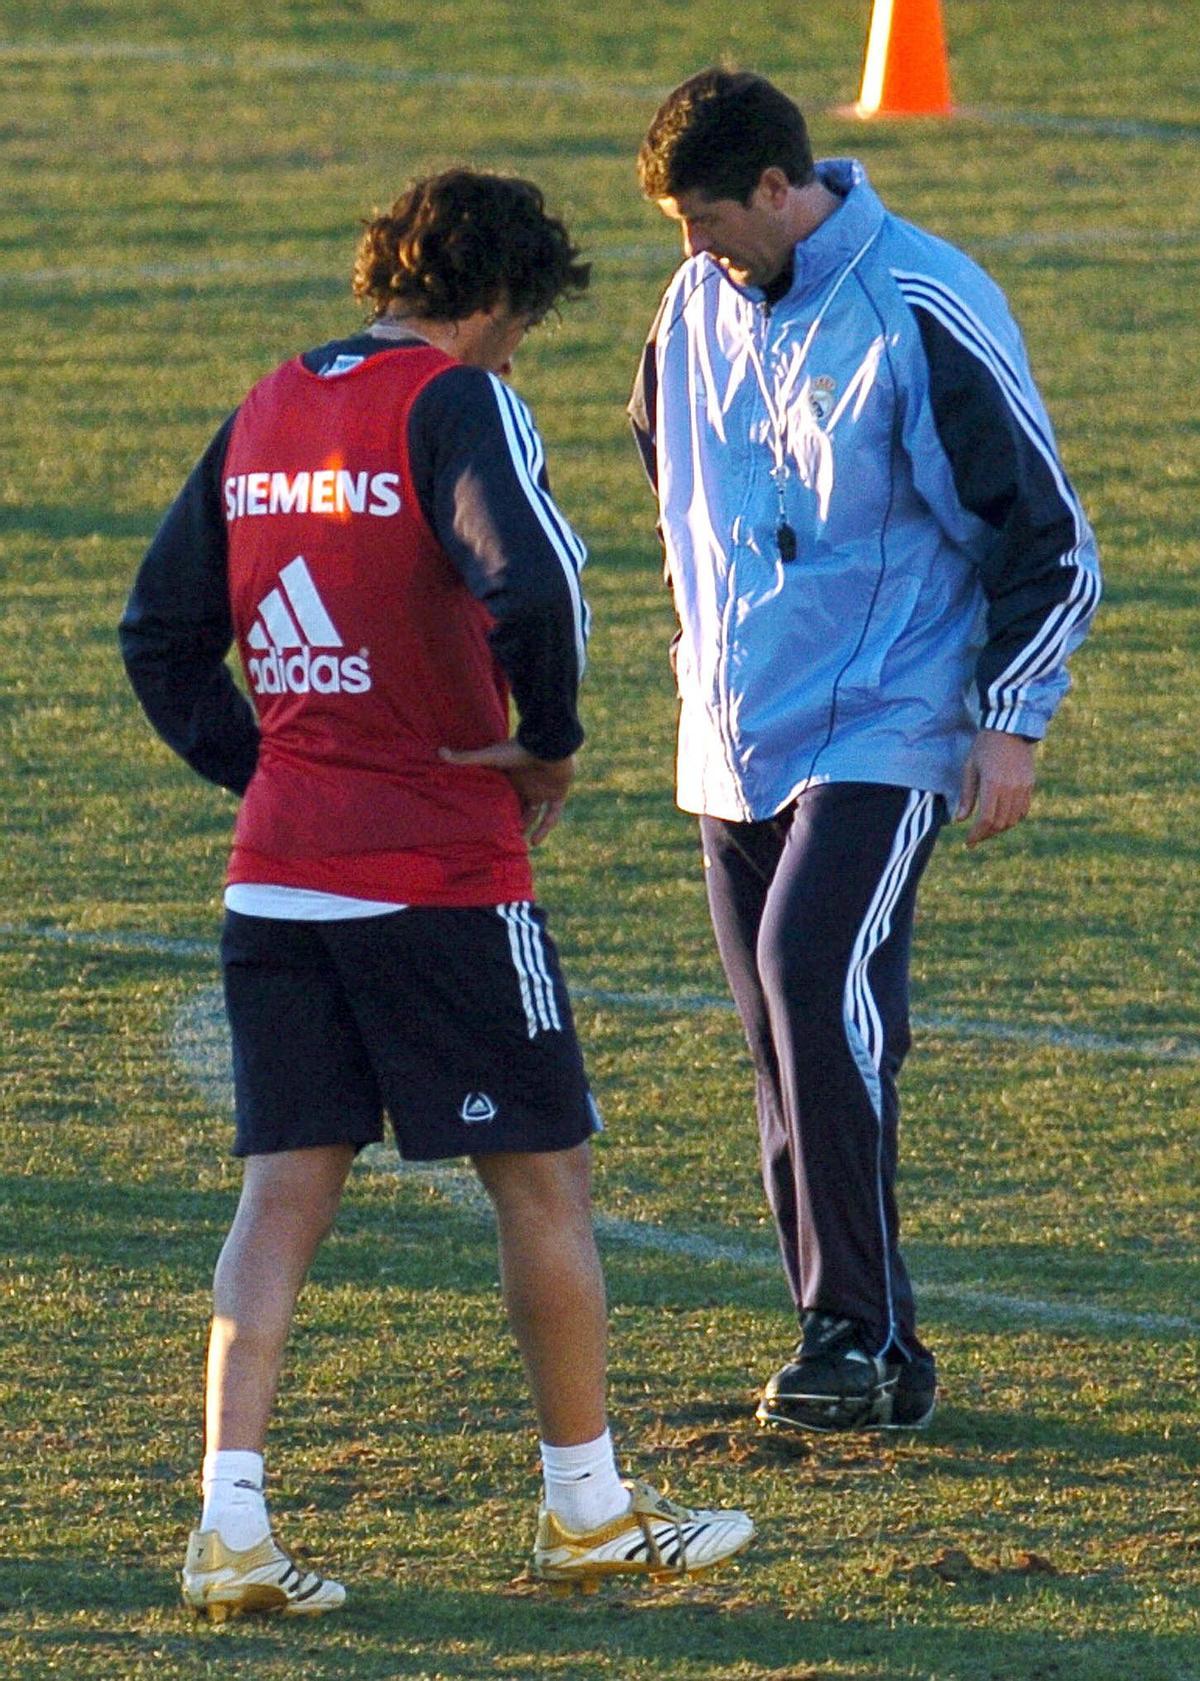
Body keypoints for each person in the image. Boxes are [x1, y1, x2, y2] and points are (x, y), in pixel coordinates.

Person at [120, 167, 752, 1621]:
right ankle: (589, 1507)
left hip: (279, 878)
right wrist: (549, 741)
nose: (520, 353)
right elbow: (530, 584)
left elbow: (161, 632)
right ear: (493, 302)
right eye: (523, 324)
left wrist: (277, 766)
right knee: (544, 1177)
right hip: (445, 875)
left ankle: (230, 1524)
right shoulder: (454, 401)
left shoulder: (268, 401)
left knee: (281, 1196)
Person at [629, 71, 1101, 1435]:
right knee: (784, 1038)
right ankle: (870, 1348)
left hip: (886, 722)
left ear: (780, 191)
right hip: (730, 737)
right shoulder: (690, 308)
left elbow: (1050, 537)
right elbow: (671, 470)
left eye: (709, 221)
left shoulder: (922, 302)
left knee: (810, 970)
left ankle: (850, 1325)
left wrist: (1010, 717)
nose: (694, 253)